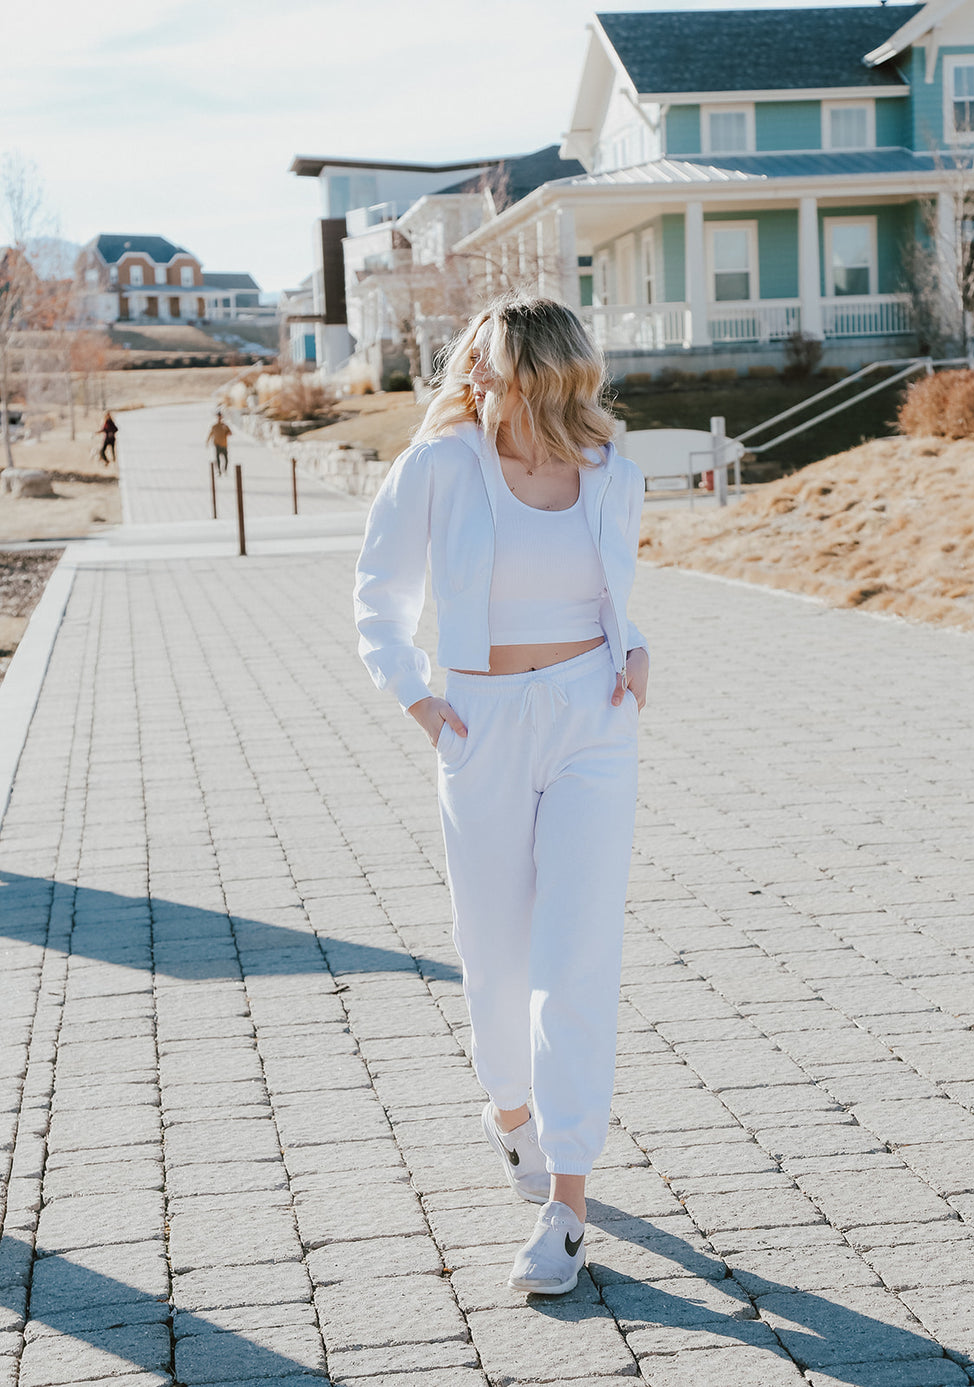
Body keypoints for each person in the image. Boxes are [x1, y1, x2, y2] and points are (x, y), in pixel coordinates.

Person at [354, 293, 649, 1296]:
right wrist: (420, 702)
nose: (469, 375)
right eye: (469, 360)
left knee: (574, 956)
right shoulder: (437, 467)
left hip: (590, 723)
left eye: (490, 362)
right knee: (494, 953)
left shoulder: (612, 471)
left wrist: (636, 649)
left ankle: (566, 1204)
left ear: (539, 371)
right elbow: (378, 600)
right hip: (479, 722)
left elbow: (613, 591)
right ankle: (510, 1111)